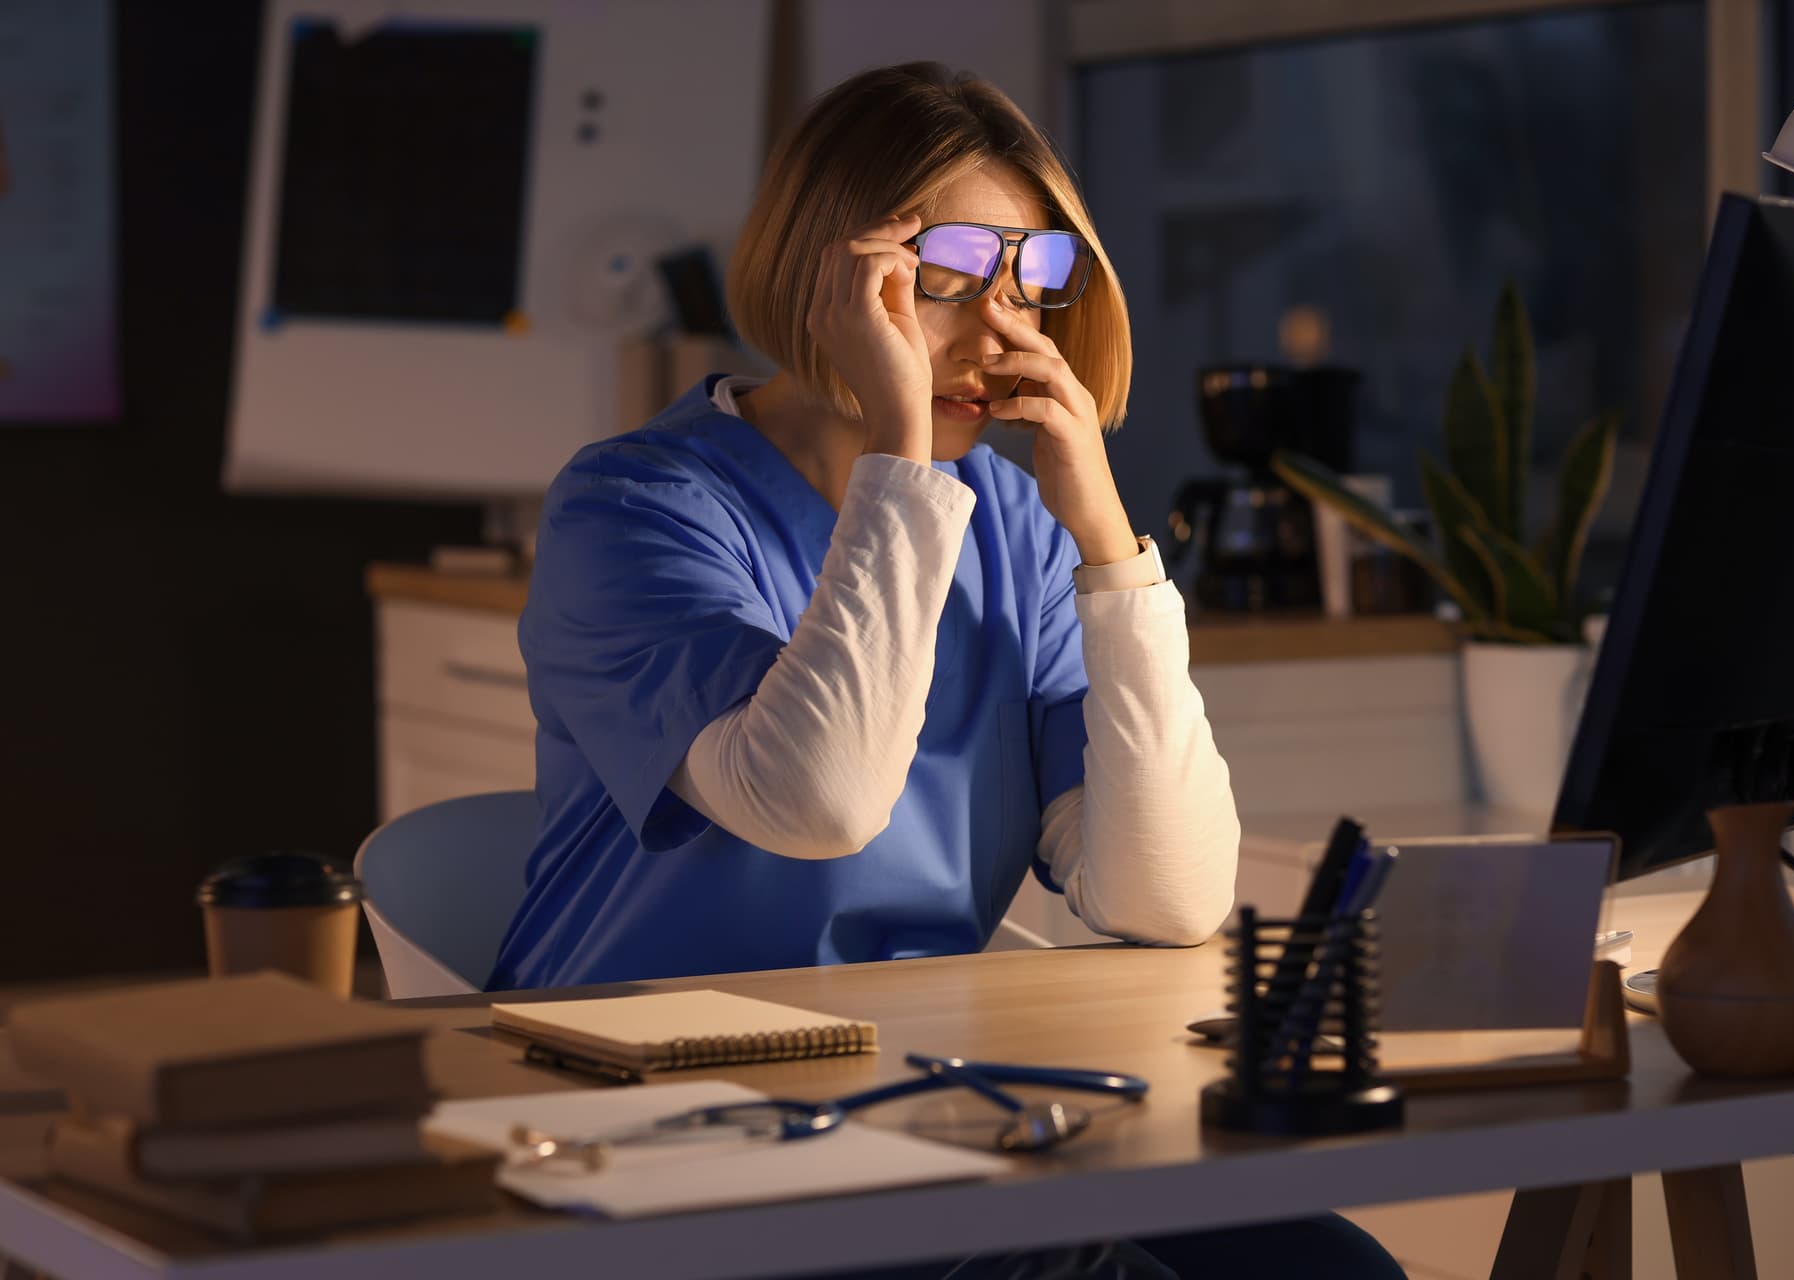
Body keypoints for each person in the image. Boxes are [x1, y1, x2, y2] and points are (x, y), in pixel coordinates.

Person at [489, 62, 1404, 1280]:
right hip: (664, 1140)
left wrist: (1106, 545)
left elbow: (1166, 893)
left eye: (1031, 284)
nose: (999, 334)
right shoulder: (632, 507)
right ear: (834, 279)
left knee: (1336, 1271)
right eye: (946, 283)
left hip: (918, 1106)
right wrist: (904, 450)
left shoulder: (1013, 529)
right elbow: (817, 800)